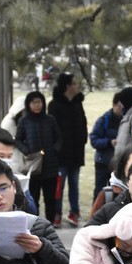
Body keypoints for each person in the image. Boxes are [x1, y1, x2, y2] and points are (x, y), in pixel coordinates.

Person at [15, 90, 63, 223]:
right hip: (33, 165)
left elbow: (59, 137)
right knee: (33, 198)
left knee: (50, 199)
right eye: (33, 102)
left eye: (39, 102)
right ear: (28, 104)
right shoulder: (24, 121)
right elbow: (18, 140)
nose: (37, 105)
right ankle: (35, 224)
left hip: (50, 165)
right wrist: (27, 151)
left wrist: (54, 150)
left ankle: (50, 223)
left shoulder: (50, 119)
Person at [49, 72, 87, 226]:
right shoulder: (54, 105)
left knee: (74, 184)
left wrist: (83, 140)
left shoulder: (78, 103)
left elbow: (83, 124)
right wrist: (55, 148)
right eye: (74, 83)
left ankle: (74, 212)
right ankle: (56, 213)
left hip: (77, 152)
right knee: (59, 184)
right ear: (67, 86)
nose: (77, 86)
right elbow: (51, 129)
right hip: (60, 154)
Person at [89, 88, 132, 205]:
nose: (121, 108)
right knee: (100, 192)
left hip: (118, 164)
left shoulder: (128, 119)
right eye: (119, 106)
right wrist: (108, 142)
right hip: (103, 162)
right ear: (114, 105)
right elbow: (93, 139)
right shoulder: (104, 120)